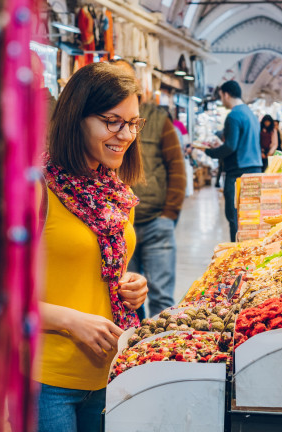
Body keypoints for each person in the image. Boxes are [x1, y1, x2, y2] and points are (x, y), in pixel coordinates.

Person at [38, 62, 149, 431]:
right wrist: (71, 321)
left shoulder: (116, 194)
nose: (126, 134)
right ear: (76, 118)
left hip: (111, 371)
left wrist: (131, 284)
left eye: (132, 123)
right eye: (112, 122)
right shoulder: (34, 190)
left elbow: (100, 270)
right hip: (44, 379)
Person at [111, 59, 187, 319]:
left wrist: (169, 214)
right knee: (127, 300)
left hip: (155, 222)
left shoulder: (157, 120)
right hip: (118, 225)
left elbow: (176, 167)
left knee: (161, 299)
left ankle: (162, 344)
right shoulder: (101, 124)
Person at [206, 80, 262, 242]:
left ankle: (237, 253)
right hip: (255, 170)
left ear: (226, 94)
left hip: (238, 173)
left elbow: (231, 146)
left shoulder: (233, 116)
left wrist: (210, 152)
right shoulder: (251, 114)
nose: (221, 100)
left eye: (221, 96)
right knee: (251, 218)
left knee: (234, 216)